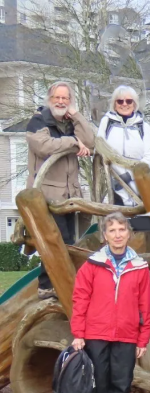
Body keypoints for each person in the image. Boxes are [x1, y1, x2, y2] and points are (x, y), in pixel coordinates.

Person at [71, 212, 150, 393]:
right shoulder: (92, 265)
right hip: (95, 335)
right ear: (105, 235)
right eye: (112, 230)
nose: (117, 235)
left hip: (126, 336)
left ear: (129, 233)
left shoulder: (139, 267)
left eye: (122, 230)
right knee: (97, 386)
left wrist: (143, 338)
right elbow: (80, 300)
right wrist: (78, 333)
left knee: (121, 387)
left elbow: (145, 305)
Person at [26, 81, 95, 300]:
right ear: (50, 99)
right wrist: (74, 141)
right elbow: (44, 146)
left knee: (70, 242)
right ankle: (49, 286)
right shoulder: (38, 121)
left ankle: (52, 285)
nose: (61, 101)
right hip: (47, 194)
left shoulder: (69, 122)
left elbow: (90, 141)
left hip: (70, 194)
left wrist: (76, 116)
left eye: (65, 98)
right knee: (58, 241)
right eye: (57, 97)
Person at [96, 85, 150, 206]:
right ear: (114, 104)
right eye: (120, 101)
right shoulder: (106, 122)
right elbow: (100, 149)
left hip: (140, 182)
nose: (124, 104)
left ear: (134, 104)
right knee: (118, 216)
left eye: (128, 101)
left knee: (143, 217)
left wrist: (131, 175)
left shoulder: (144, 126)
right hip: (114, 183)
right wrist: (119, 176)